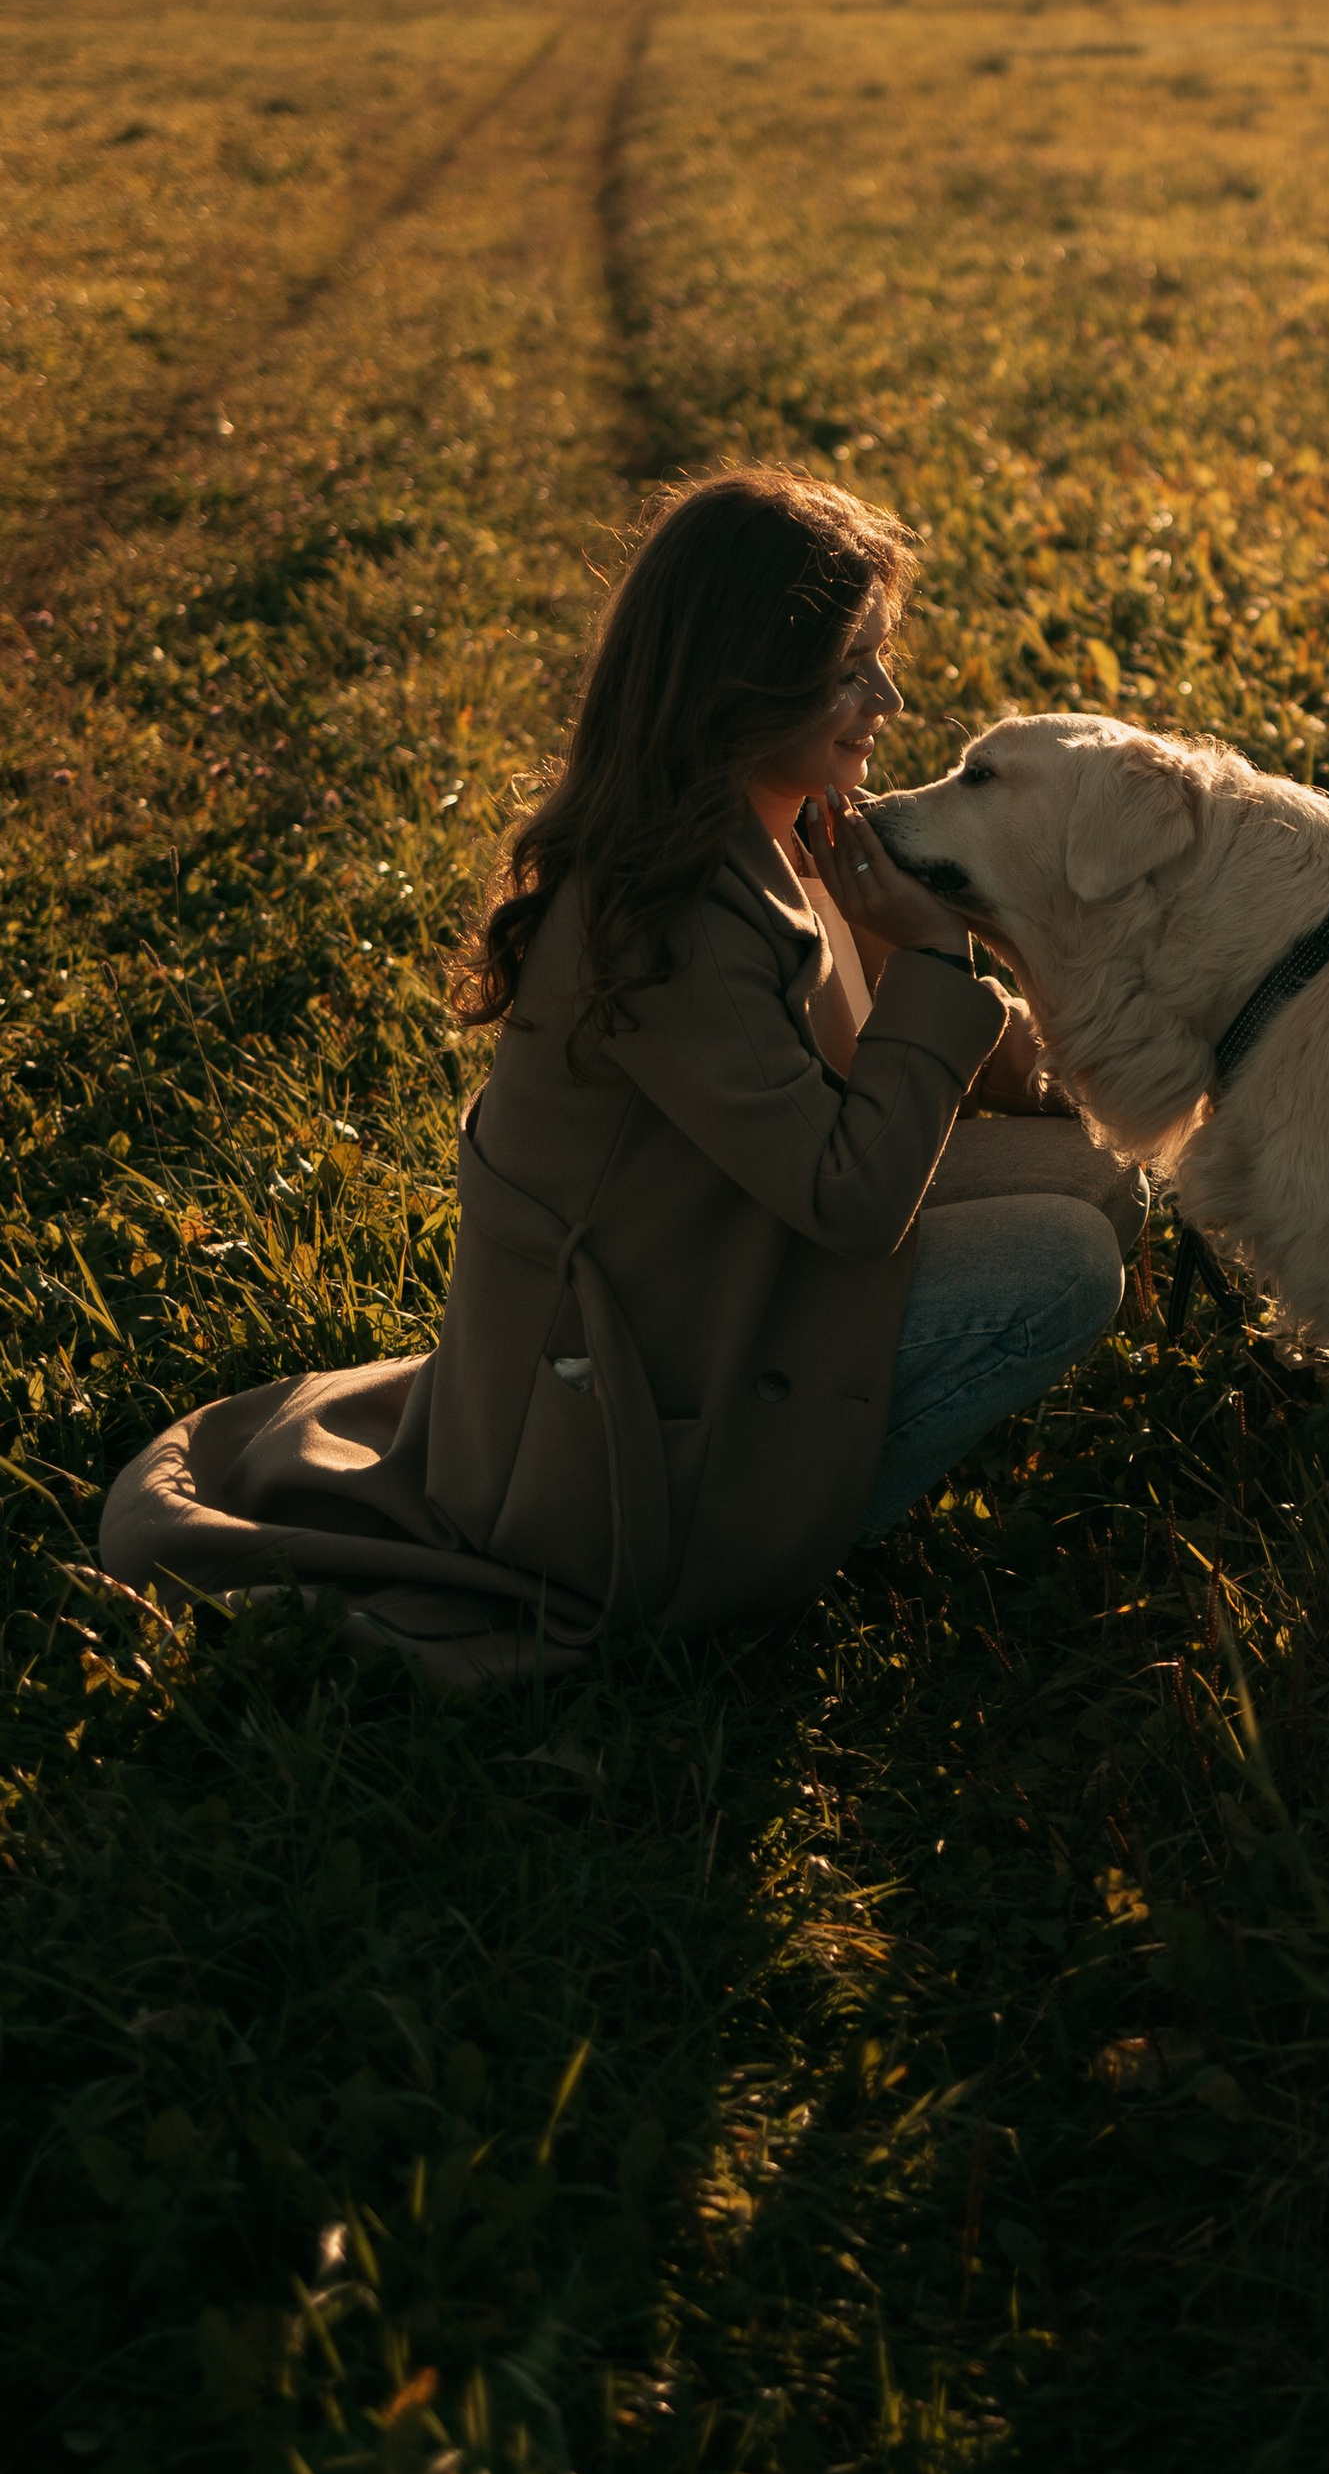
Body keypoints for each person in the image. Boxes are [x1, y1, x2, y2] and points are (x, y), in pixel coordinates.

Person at [98, 469, 1139, 1680]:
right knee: (1064, 1266)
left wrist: (1111, 1068)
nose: (887, 698)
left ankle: (810, 1456)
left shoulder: (797, 822)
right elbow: (853, 1197)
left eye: (882, 657)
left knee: (1100, 1171)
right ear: (744, 681)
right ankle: (757, 1550)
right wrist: (937, 952)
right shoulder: (665, 916)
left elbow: (891, 1062)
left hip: (733, 1254)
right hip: (624, 1407)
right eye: (851, 668)